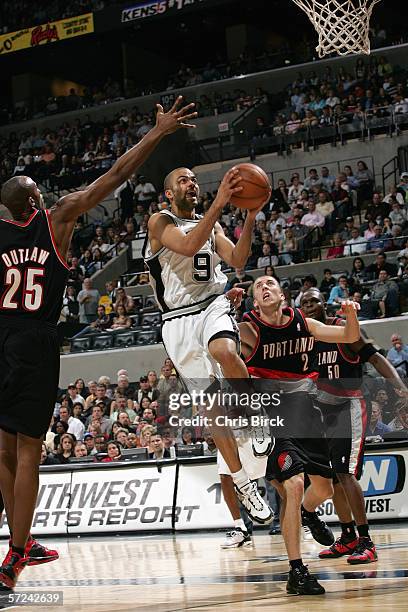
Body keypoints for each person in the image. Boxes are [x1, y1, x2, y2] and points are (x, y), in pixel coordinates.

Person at [0, 95, 197, 588]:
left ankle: (18, 541)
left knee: (2, 450)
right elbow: (113, 178)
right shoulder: (57, 218)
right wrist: (156, 133)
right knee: (28, 451)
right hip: (36, 340)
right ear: (37, 203)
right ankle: (18, 551)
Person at [142, 165, 273, 525]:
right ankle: (245, 486)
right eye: (183, 180)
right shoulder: (159, 222)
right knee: (213, 410)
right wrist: (219, 203)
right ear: (169, 193)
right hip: (177, 321)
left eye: (193, 179)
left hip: (213, 303)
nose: (191, 184)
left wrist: (249, 215)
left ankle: (257, 418)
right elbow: (187, 244)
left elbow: (239, 260)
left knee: (225, 352)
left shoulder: (212, 224)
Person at [235, 275, 360, 595]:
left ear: (282, 293)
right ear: (254, 300)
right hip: (271, 414)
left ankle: (306, 512)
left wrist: (351, 313)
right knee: (293, 484)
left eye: (269, 284)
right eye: (257, 287)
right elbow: (221, 348)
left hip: (306, 412)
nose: (263, 288)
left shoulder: (302, 322)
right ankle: (297, 571)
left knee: (325, 488)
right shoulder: (248, 328)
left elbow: (348, 335)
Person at [300, 289, 407, 565]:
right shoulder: (306, 338)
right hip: (321, 411)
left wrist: (398, 386)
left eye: (314, 300)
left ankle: (366, 541)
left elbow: (375, 357)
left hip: (349, 407)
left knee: (346, 475)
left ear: (324, 304)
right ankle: (347, 537)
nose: (310, 306)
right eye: (304, 303)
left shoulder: (343, 331)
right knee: (334, 478)